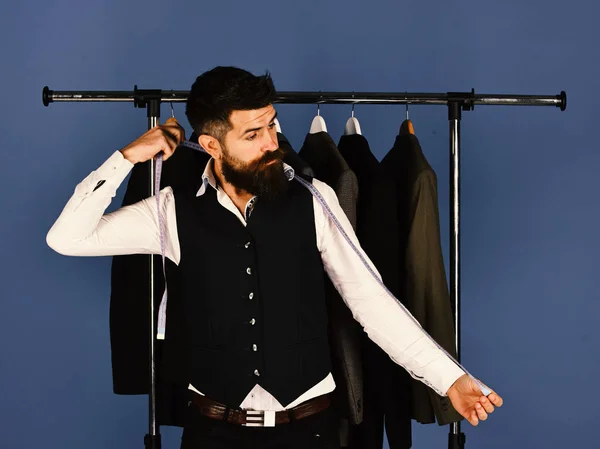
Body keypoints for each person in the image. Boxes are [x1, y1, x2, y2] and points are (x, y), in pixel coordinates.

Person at [46, 66, 503, 449]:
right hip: (211, 432)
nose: (272, 141)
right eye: (253, 134)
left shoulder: (314, 197)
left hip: (310, 431)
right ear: (211, 145)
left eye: (271, 124)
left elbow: (371, 300)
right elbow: (67, 238)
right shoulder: (170, 211)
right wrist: (126, 158)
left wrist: (448, 379)